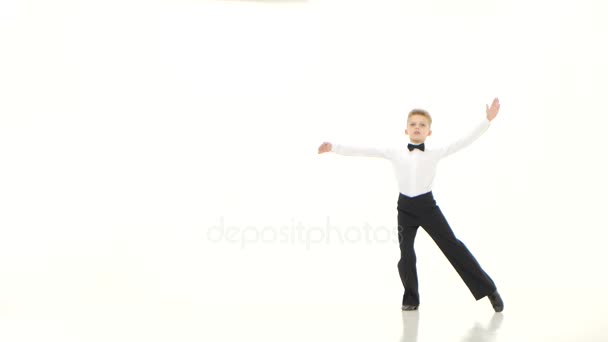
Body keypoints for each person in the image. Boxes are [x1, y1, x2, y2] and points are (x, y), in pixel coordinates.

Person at [317, 98, 504, 312]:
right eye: (413, 124)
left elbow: (463, 141)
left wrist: (486, 121)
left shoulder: (435, 153)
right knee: (406, 254)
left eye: (422, 125)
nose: (417, 128)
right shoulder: (395, 153)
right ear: (406, 130)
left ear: (429, 132)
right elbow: (365, 150)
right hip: (405, 208)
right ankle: (411, 298)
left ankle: (489, 290)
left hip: (428, 207)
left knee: (453, 247)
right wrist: (334, 147)